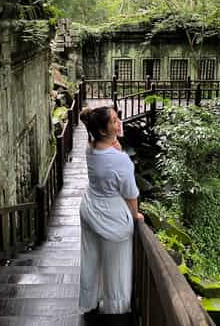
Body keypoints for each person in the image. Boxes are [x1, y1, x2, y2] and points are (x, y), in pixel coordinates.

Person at [78, 105, 142, 321]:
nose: (119, 123)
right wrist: (135, 215)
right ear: (104, 131)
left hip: (90, 208)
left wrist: (116, 144)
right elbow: (130, 193)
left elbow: (109, 154)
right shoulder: (120, 159)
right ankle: (115, 309)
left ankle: (89, 302)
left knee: (91, 259)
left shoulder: (91, 148)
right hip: (112, 217)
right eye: (114, 121)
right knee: (116, 267)